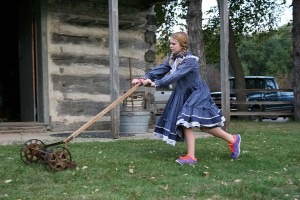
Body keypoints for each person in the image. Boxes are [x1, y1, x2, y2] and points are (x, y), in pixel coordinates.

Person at [132, 32, 241, 165]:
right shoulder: (173, 58)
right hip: (184, 93)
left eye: (173, 44)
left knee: (191, 123)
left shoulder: (190, 60)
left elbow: (175, 76)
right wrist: (144, 78)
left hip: (197, 93)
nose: (170, 46)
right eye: (170, 43)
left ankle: (192, 156)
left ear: (182, 45)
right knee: (202, 126)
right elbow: (161, 70)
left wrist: (155, 83)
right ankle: (232, 139)